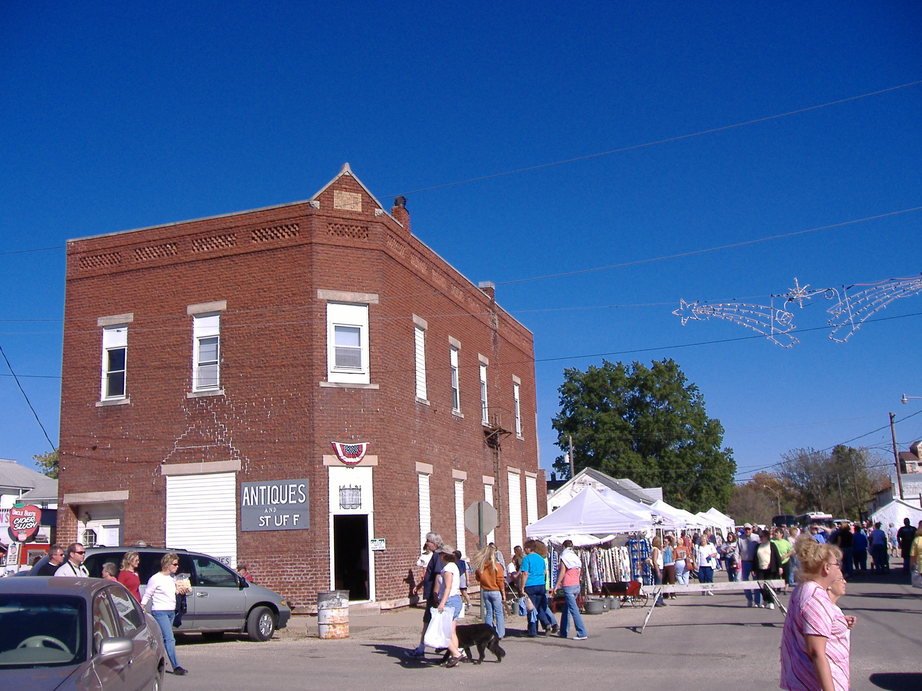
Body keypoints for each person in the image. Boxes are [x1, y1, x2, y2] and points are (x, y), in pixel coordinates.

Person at [780, 538, 854, 691]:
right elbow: (816, 652)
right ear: (827, 568)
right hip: (814, 684)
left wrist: (838, 621)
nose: (839, 569)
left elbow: (811, 624)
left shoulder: (803, 589)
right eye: (837, 564)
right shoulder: (816, 598)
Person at [141, 552, 189, 676]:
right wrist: (142, 606)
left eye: (177, 564)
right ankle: (176, 666)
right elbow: (148, 593)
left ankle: (155, 662)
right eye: (175, 564)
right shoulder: (156, 578)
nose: (177, 567)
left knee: (161, 639)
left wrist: (181, 591)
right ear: (167, 564)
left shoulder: (173, 578)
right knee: (170, 638)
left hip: (171, 611)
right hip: (160, 611)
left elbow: (173, 593)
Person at [408, 532, 445, 659]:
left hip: (433, 596)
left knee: (430, 621)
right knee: (430, 621)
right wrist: (419, 586)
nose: (426, 544)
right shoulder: (435, 555)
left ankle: (423, 648)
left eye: (428, 541)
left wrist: (435, 593)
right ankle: (423, 647)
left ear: (434, 543)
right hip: (432, 595)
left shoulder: (437, 556)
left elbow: (438, 575)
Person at [518, 539, 557, 636]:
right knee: (539, 607)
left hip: (530, 585)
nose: (524, 550)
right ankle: (546, 623)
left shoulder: (526, 559)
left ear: (528, 548)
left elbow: (525, 573)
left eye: (525, 548)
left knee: (531, 609)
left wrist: (522, 587)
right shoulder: (541, 558)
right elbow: (544, 572)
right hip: (541, 584)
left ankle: (532, 631)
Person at [436, 545, 465, 668]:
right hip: (455, 599)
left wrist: (442, 602)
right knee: (452, 631)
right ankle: (454, 657)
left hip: (450, 600)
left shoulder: (448, 568)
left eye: (440, 554)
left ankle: (456, 654)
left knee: (443, 631)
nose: (439, 556)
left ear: (444, 555)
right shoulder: (454, 566)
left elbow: (448, 587)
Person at [551, 540, 587, 640]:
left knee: (573, 610)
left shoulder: (564, 556)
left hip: (568, 585)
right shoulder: (575, 556)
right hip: (576, 585)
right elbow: (579, 571)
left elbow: (563, 571)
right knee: (567, 608)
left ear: (563, 546)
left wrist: (557, 585)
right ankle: (563, 631)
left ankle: (581, 632)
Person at [472, 544, 505, 639]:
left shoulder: (481, 567)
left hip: (486, 591)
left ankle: (488, 633)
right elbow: (500, 581)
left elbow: (478, 578)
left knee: (489, 612)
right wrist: (503, 593)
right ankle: (500, 633)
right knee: (499, 613)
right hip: (496, 591)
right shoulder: (497, 566)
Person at [753, 530, 782, 609]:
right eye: (760, 537)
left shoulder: (772, 545)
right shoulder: (758, 546)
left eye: (762, 536)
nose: (760, 538)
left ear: (766, 537)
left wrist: (780, 567)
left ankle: (771, 601)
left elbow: (777, 556)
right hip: (760, 569)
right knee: (761, 586)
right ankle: (765, 599)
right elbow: (755, 558)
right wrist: (753, 569)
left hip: (770, 569)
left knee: (770, 586)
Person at [738, 524, 761, 606]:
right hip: (745, 561)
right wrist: (737, 561)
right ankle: (749, 599)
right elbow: (737, 551)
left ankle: (758, 601)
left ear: (752, 529)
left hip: (755, 562)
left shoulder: (756, 537)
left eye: (749, 529)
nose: (747, 531)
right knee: (745, 581)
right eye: (746, 529)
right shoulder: (740, 538)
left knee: (757, 581)